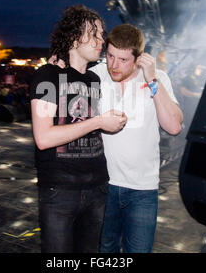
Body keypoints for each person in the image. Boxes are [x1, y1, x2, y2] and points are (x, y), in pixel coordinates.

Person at [50, 23, 183, 252]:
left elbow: (173, 126)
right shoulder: (97, 74)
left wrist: (152, 80)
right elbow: (64, 83)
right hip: (102, 186)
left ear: (138, 58)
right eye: (110, 56)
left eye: (123, 60)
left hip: (143, 189)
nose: (114, 65)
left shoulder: (158, 78)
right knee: (104, 251)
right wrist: (57, 66)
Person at [29, 5, 127, 253]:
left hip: (97, 187)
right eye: (93, 34)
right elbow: (43, 137)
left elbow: (127, 62)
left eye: (101, 34)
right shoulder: (47, 77)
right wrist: (98, 122)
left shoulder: (94, 79)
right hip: (60, 191)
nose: (100, 41)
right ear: (74, 37)